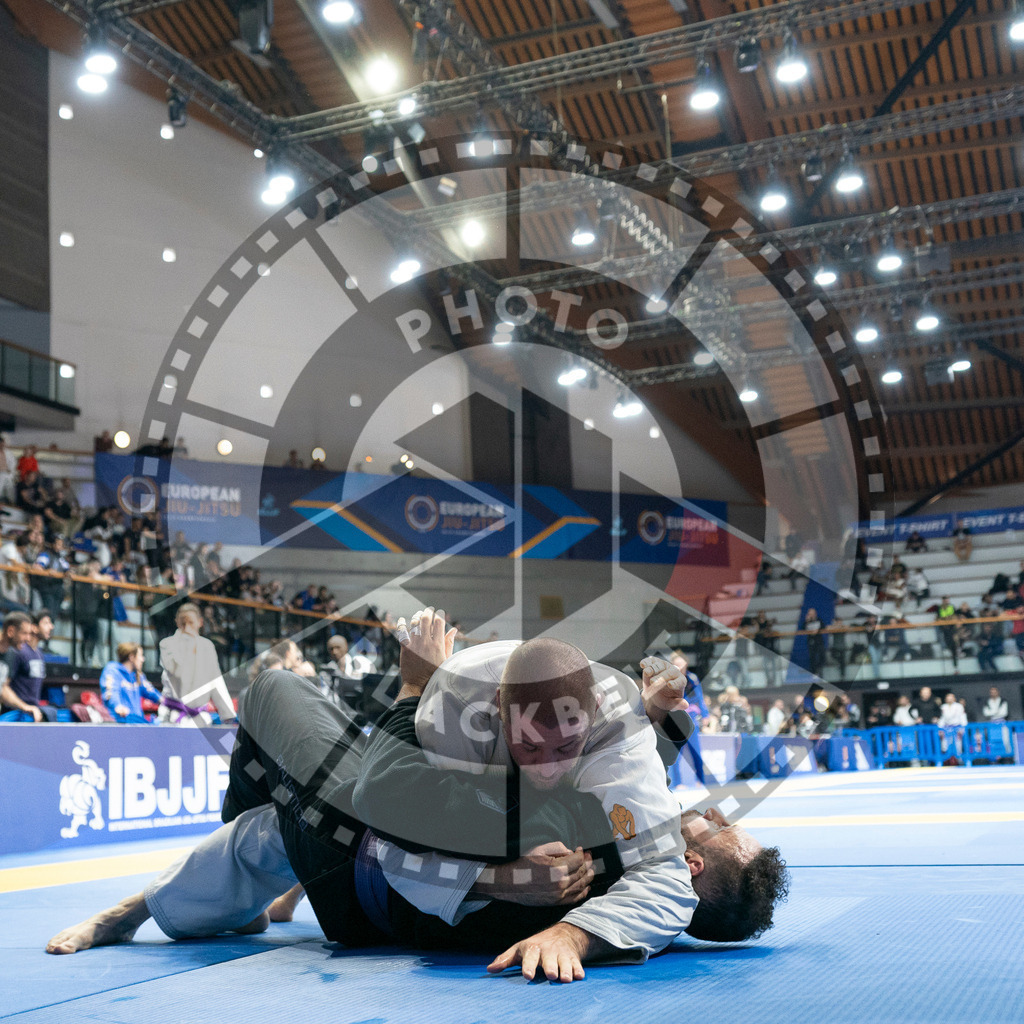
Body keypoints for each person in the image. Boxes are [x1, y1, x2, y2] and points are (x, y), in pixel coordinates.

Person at [45, 610, 789, 978]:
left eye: (719, 825)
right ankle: (210, 888)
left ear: (692, 869)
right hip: (381, 851)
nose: (714, 809)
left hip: (361, 867)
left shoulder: (605, 843)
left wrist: (415, 683)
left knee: (272, 699)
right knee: (276, 829)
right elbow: (631, 784)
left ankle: (140, 906)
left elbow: (394, 808)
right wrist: (654, 714)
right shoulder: (620, 832)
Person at [158, 602, 236, 724]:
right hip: (173, 715)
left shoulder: (207, 646)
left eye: (191, 622)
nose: (187, 627)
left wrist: (227, 713)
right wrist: (189, 644)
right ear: (177, 622)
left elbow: (216, 680)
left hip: (199, 717)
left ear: (200, 622)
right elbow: (176, 672)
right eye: (183, 623)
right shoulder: (167, 644)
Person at [0, 610, 57, 721]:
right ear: (11, 631)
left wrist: (25, 707)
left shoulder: (10, 654)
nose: (28, 638)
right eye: (24, 633)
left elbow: (3, 688)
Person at [100, 642, 163, 723]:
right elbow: (111, 691)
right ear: (132, 657)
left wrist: (167, 702)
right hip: (120, 723)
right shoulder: (112, 670)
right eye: (140, 655)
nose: (143, 659)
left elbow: (151, 692)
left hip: (138, 723)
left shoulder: (138, 675)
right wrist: (118, 706)